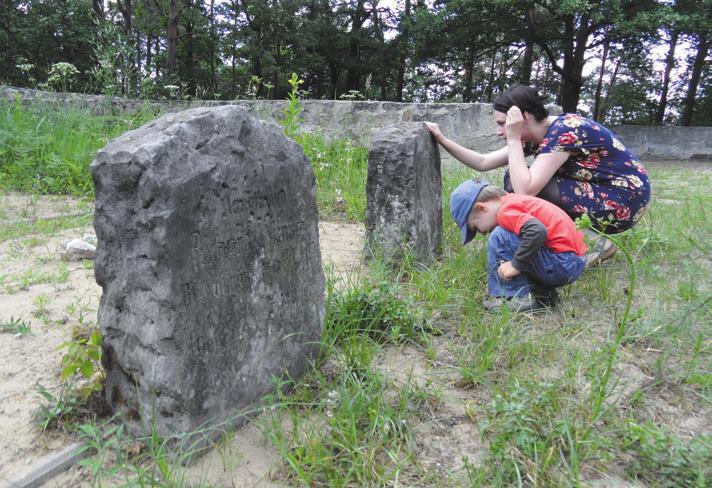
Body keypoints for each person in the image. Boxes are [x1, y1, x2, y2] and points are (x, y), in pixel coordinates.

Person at [426, 85, 651, 266]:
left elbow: (526, 191)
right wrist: (443, 140)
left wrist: (513, 138)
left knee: (524, 187)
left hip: (624, 200)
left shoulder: (564, 131)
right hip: (602, 194)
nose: (499, 131)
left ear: (522, 118)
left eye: (502, 124)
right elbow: (483, 162)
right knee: (513, 178)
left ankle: (594, 244)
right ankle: (558, 240)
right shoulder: (539, 135)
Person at [451, 179, 587, 312]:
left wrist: (515, 265)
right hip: (570, 261)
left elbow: (537, 231)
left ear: (482, 208)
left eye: (475, 228)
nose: (482, 233)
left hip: (562, 262)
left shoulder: (505, 211)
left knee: (501, 236)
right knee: (517, 241)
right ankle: (542, 296)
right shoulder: (514, 202)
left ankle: (513, 297)